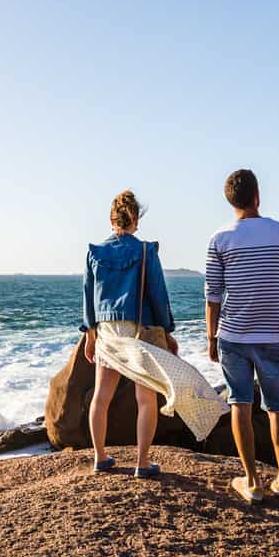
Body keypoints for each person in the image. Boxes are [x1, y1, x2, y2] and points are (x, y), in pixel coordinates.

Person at [83, 190, 227, 477]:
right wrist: (168, 331)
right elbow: (158, 296)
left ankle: (100, 458)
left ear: (111, 219)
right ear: (135, 219)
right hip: (139, 332)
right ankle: (142, 463)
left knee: (101, 396)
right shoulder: (146, 251)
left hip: (108, 332)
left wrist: (89, 333)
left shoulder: (94, 252)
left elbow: (88, 296)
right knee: (145, 399)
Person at [204, 169, 279, 502]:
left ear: (230, 201)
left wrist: (211, 337)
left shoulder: (219, 239)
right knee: (277, 408)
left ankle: (251, 482)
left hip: (233, 337)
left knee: (240, 403)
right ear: (257, 196)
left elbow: (213, 294)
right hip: (273, 337)